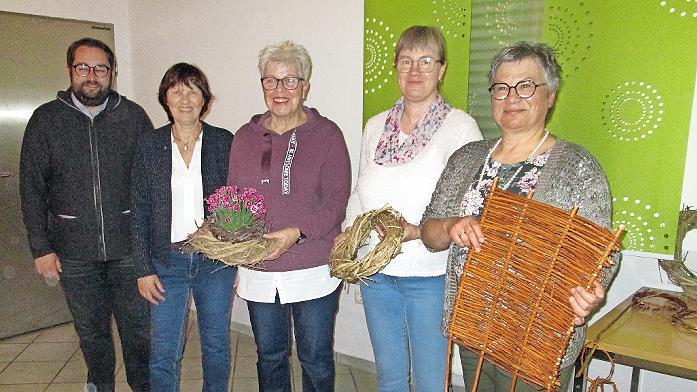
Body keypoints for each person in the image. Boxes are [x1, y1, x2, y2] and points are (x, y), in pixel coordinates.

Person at [420, 41, 618, 392]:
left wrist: (590, 292)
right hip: (473, 322)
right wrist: (452, 226)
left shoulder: (577, 166)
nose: (512, 98)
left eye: (526, 86)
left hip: (539, 334)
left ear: (550, 95)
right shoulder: (467, 158)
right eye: (501, 88)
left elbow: (602, 256)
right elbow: (429, 232)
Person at [341, 26, 482, 392]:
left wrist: (418, 231)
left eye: (425, 61)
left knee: (431, 382)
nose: (415, 71)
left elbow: (472, 204)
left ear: (442, 69)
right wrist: (348, 233)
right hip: (377, 273)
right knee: (389, 378)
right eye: (406, 62)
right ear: (396, 68)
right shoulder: (375, 127)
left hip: (430, 276)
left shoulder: (460, 128)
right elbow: (361, 190)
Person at [19, 37, 152, 392]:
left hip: (128, 250)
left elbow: (152, 181)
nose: (91, 75)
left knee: (138, 335)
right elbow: (31, 188)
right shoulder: (45, 120)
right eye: (83, 67)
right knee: (92, 334)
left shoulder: (134, 116)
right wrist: (40, 247)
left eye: (100, 68)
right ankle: (101, 386)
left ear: (112, 73)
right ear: (70, 71)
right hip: (74, 253)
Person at [226, 40, 351, 392]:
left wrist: (297, 232)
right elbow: (235, 204)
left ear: (305, 86)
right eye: (271, 80)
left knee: (316, 359)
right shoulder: (244, 138)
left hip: (313, 268)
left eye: (290, 80)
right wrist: (236, 258)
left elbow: (336, 203)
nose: (280, 90)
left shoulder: (327, 135)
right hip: (260, 271)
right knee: (269, 357)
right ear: (262, 85)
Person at [131, 63, 235, 391]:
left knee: (216, 346)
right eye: (176, 90)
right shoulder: (150, 145)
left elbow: (237, 206)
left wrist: (237, 260)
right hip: (166, 261)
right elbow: (139, 211)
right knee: (164, 351)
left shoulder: (223, 141)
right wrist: (142, 268)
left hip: (215, 261)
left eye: (193, 90)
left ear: (205, 98)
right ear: (165, 97)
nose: (185, 98)